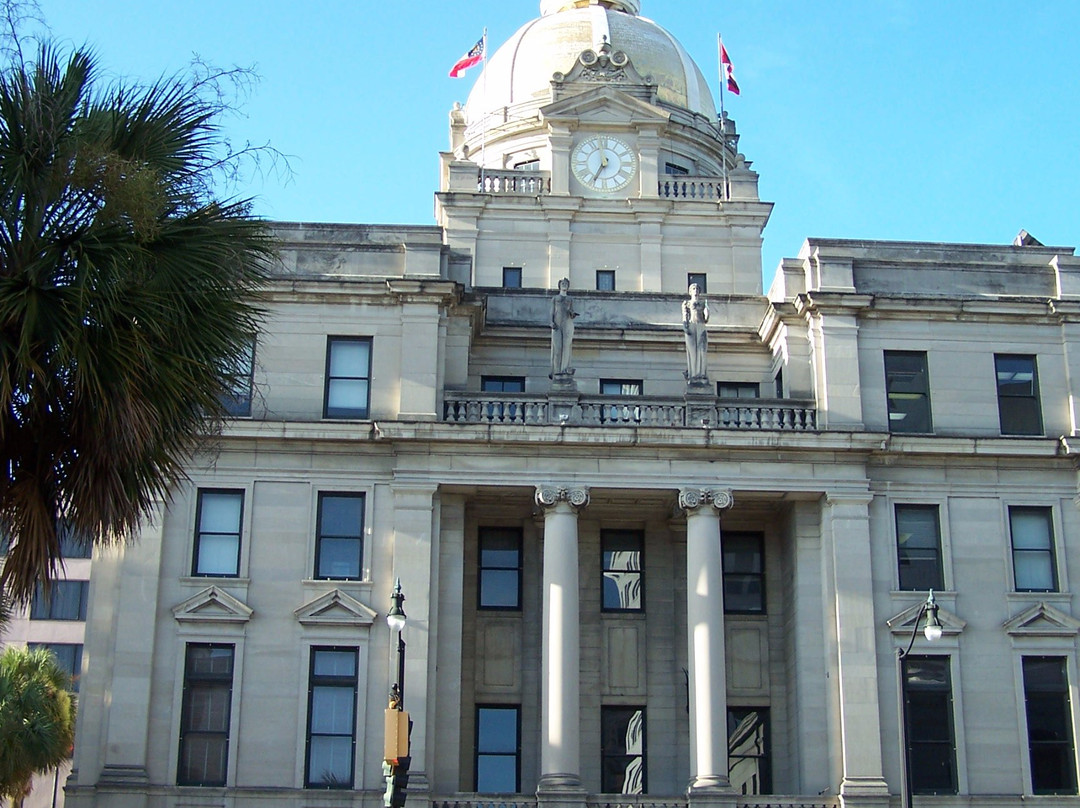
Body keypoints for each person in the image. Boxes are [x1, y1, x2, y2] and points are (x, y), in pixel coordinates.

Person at [550, 278, 578, 378]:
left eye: (566, 283)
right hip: (557, 325)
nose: (564, 285)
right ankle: (556, 370)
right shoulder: (555, 298)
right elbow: (552, 311)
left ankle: (565, 369)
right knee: (557, 348)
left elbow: (572, 311)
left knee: (566, 346)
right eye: (562, 283)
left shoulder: (570, 299)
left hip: (567, 323)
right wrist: (551, 322)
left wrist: (572, 313)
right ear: (559, 285)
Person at [682, 282, 709, 382]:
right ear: (690, 291)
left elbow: (706, 318)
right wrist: (685, 326)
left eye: (697, 288)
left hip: (701, 326)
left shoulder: (703, 303)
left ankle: (701, 373)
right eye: (693, 288)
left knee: (702, 350)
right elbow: (685, 315)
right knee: (693, 352)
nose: (696, 290)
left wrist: (707, 311)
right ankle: (693, 374)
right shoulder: (687, 303)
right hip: (691, 326)